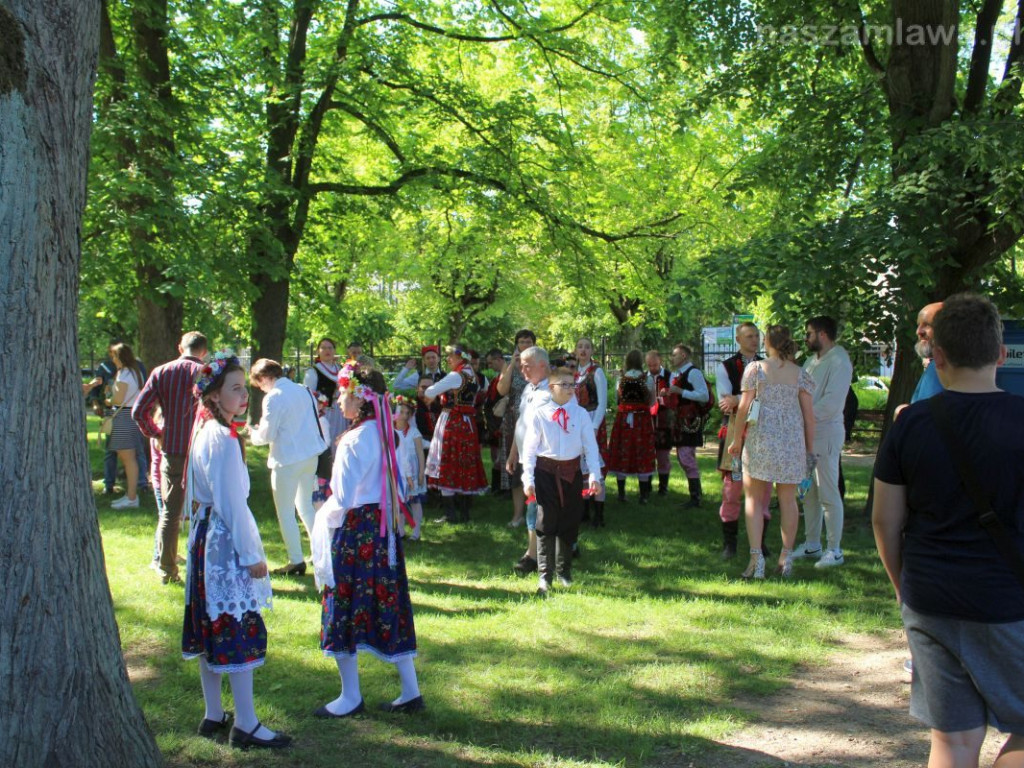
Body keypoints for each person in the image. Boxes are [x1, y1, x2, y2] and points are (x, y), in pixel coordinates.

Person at [873, 293, 1024, 768]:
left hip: (930, 598)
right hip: (1006, 601)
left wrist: (903, 587)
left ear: (936, 355)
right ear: (1000, 354)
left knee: (953, 740)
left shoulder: (909, 424)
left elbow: (885, 520)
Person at [181, 352, 291, 750]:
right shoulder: (222, 439)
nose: (245, 395)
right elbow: (232, 504)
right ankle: (245, 722)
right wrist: (251, 556)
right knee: (234, 625)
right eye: (236, 388)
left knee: (211, 624)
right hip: (224, 544)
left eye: (245, 387)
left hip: (205, 538)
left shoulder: (206, 429)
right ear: (213, 395)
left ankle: (214, 713)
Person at [311, 361, 423, 717]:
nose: (338, 400)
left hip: (358, 528)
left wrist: (321, 516)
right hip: (384, 529)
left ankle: (350, 696)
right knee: (389, 601)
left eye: (343, 394)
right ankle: (410, 691)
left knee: (343, 604)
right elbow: (400, 484)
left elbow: (342, 498)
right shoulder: (388, 433)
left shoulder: (355, 439)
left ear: (359, 399)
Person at [728, 325, 815, 579]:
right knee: (788, 500)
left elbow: (743, 408)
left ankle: (757, 559)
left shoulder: (756, 369)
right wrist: (809, 451)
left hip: (761, 441)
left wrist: (736, 440)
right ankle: (785, 558)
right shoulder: (800, 374)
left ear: (768, 342)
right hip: (791, 442)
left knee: (754, 499)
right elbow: (810, 418)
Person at [133, 331, 207, 584]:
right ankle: (205, 566)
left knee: (170, 513)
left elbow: (139, 411)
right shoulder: (209, 373)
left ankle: (167, 569)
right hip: (204, 449)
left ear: (180, 347)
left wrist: (156, 433)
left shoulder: (161, 372)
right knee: (208, 509)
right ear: (204, 351)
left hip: (173, 448)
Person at [521, 366, 602, 594]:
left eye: (572, 384)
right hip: (545, 472)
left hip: (571, 473)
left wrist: (595, 475)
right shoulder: (540, 413)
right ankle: (544, 577)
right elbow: (529, 449)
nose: (570, 389)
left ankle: (564, 571)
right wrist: (528, 478)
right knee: (546, 522)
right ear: (551, 387)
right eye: (564, 384)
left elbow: (590, 448)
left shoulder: (581, 414)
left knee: (569, 521)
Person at [249, 358, 328, 576]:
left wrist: (253, 433)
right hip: (310, 455)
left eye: (260, 384)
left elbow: (267, 435)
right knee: (306, 507)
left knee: (285, 512)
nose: (261, 388)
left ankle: (295, 560)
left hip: (287, 459)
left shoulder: (273, 396)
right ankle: (321, 552)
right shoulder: (302, 389)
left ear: (265, 378)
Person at [792, 316, 854, 568]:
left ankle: (835, 549)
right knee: (808, 493)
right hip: (805, 434)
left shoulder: (839, 361)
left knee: (828, 492)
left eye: (808, 334)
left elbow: (831, 403)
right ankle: (812, 545)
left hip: (826, 433)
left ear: (822, 334)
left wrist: (800, 416)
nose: (805, 339)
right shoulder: (810, 361)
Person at [715, 322, 772, 560]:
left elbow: (768, 397)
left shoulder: (768, 366)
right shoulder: (725, 366)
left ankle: (760, 543)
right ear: (738, 339)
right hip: (735, 435)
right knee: (732, 489)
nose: (754, 340)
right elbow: (724, 400)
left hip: (762, 433)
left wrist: (740, 399)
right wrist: (744, 399)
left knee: (763, 488)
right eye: (749, 336)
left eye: (756, 336)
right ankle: (730, 544)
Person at [424, 345, 489, 522]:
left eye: (450, 357)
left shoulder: (455, 376)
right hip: (468, 423)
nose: (448, 360)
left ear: (460, 358)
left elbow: (430, 391)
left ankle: (450, 514)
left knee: (448, 462)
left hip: (452, 421)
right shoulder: (473, 376)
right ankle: (465, 512)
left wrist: (435, 393)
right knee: (464, 463)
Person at [507, 345, 551, 575]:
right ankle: (539, 552)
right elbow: (520, 422)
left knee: (537, 507)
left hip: (543, 460)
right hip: (526, 459)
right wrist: (514, 453)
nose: (522, 370)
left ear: (542, 365)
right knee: (534, 506)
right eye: (521, 365)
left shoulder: (552, 393)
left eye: (527, 365)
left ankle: (532, 556)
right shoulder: (528, 390)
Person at [497, 329, 538, 528]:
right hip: (514, 419)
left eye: (528, 341)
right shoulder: (510, 365)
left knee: (534, 466)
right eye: (521, 342)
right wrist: (513, 363)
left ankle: (536, 513)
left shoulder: (539, 364)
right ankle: (517, 515)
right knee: (515, 469)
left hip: (536, 419)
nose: (525, 345)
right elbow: (501, 389)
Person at [607, 350, 656, 504]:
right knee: (642, 451)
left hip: (623, 420)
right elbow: (653, 401)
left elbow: (617, 400)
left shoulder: (621, 379)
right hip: (642, 419)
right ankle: (644, 495)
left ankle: (621, 493)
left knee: (622, 450)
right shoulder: (647, 379)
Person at [667, 344, 710, 509]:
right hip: (682, 420)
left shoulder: (693, 373)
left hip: (690, 421)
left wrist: (680, 391)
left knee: (686, 456)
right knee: (683, 456)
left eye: (675, 354)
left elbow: (704, 396)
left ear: (683, 355)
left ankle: (696, 497)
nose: (672, 358)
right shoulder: (682, 373)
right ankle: (695, 496)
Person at [107, 343, 147, 509]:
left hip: (124, 416)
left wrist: (107, 399)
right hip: (131, 415)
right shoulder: (135, 372)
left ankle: (131, 497)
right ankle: (130, 495)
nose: (113, 360)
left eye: (115, 356)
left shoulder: (124, 373)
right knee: (129, 458)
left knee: (128, 458)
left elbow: (117, 399)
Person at [393, 394, 425, 540]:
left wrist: (420, 474)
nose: (404, 416)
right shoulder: (391, 431)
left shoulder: (413, 432)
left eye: (408, 413)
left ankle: (416, 530)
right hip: (397, 470)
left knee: (414, 500)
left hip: (412, 470)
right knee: (398, 500)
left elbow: (420, 453)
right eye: (401, 412)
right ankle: (400, 529)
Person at [303, 338, 344, 450]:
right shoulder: (313, 371)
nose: (327, 351)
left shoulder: (341, 369)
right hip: (324, 414)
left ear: (334, 351)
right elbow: (308, 395)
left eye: (330, 348)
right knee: (327, 443)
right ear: (318, 351)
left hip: (341, 412)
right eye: (323, 348)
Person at [646, 350, 674, 496]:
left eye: (655, 364)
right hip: (648, 421)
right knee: (649, 454)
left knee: (663, 455)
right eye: (649, 365)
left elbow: (675, 398)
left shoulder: (670, 376)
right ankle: (648, 485)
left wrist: (667, 394)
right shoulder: (644, 377)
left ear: (660, 361)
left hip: (664, 420)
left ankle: (663, 487)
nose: (652, 368)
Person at [483, 348, 508, 493]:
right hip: (493, 423)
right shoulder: (495, 379)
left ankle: (505, 488)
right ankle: (497, 487)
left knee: (503, 457)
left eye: (491, 363)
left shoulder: (508, 375)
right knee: (496, 456)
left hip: (503, 422)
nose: (489, 366)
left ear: (499, 360)